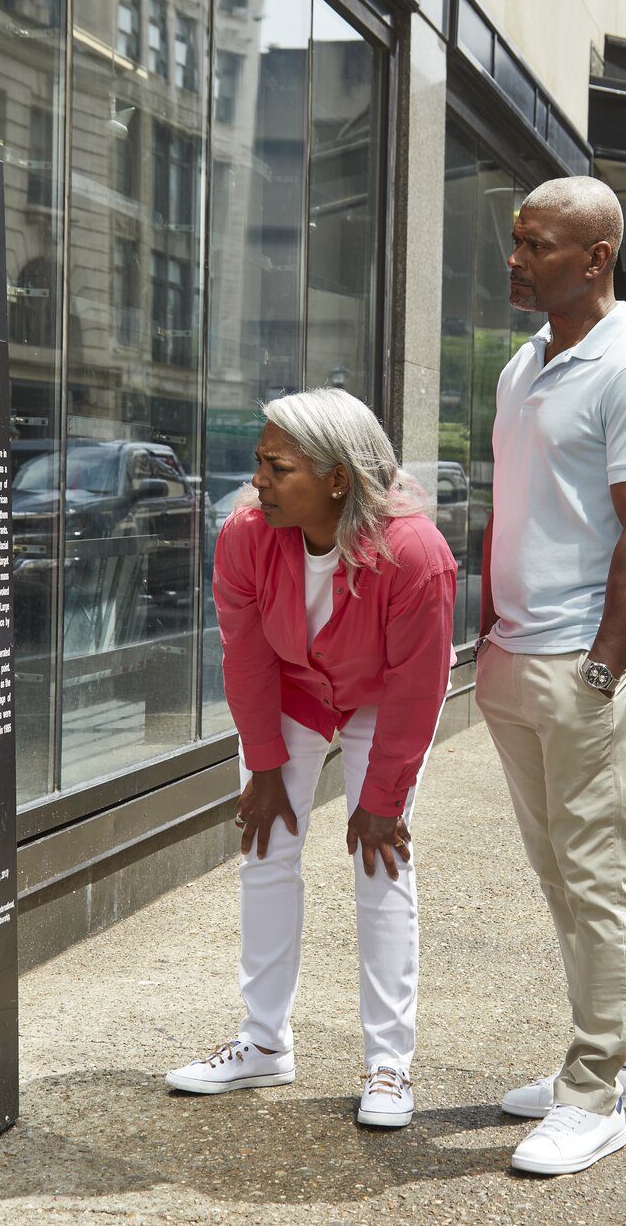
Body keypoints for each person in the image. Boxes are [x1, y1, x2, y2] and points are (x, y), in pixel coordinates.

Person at [165, 388, 457, 1132]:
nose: (257, 478)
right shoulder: (245, 536)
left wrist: (383, 795)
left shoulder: (415, 554)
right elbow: (248, 656)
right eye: (261, 462)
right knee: (266, 847)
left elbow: (420, 684)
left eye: (277, 465)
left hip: (378, 696)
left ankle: (388, 1062)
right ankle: (264, 1041)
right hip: (294, 688)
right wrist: (265, 767)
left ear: (337, 477)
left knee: (380, 858)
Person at [475, 176, 626, 1177]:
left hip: (586, 669)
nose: (513, 258)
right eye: (514, 240)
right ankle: (625, 1056)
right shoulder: (526, 364)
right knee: (561, 872)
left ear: (594, 257)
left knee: (601, 878)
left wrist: (603, 669)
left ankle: (595, 1092)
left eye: (534, 243)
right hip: (518, 657)